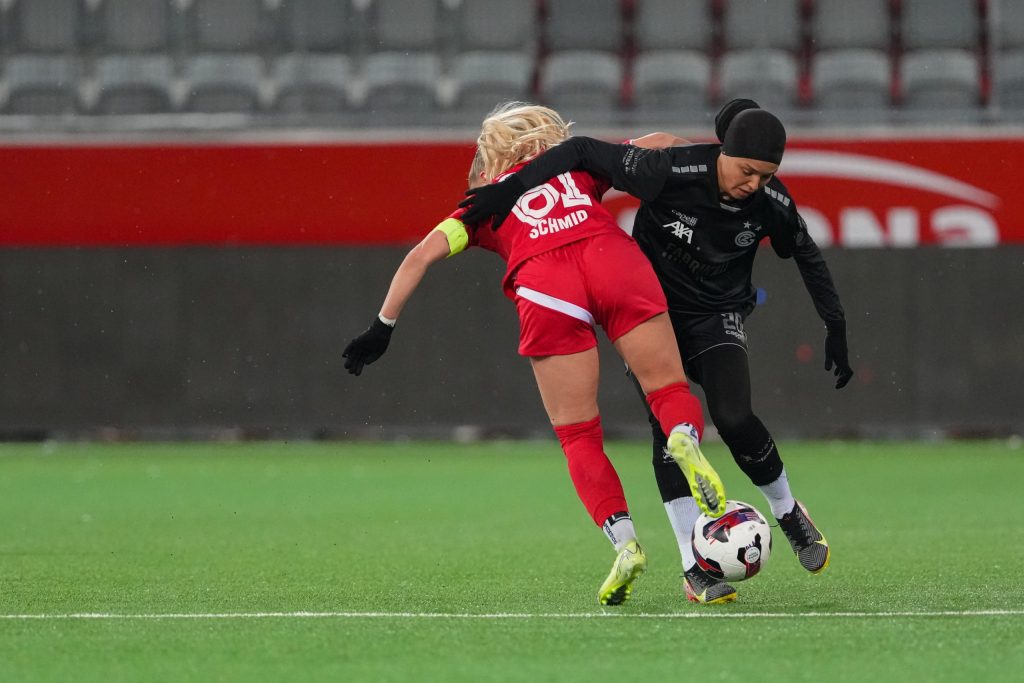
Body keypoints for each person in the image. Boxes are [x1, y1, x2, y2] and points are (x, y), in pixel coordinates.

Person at [460, 99, 854, 605]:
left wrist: (836, 326)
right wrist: (509, 189)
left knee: (734, 417)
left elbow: (807, 255)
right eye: (747, 171)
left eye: (766, 175)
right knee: (667, 433)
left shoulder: (771, 201)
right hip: (650, 311)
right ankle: (694, 566)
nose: (754, 183)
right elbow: (582, 151)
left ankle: (788, 511)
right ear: (723, 153)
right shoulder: (671, 171)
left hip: (716, 314)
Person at [342, 102, 728, 607]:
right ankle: (683, 437)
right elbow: (659, 143)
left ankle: (626, 542)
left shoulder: (483, 204)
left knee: (579, 435)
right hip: (611, 259)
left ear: (492, 156)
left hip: (547, 287)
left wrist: (382, 326)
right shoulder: (576, 166)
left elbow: (419, 256)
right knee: (667, 391)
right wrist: (717, 158)